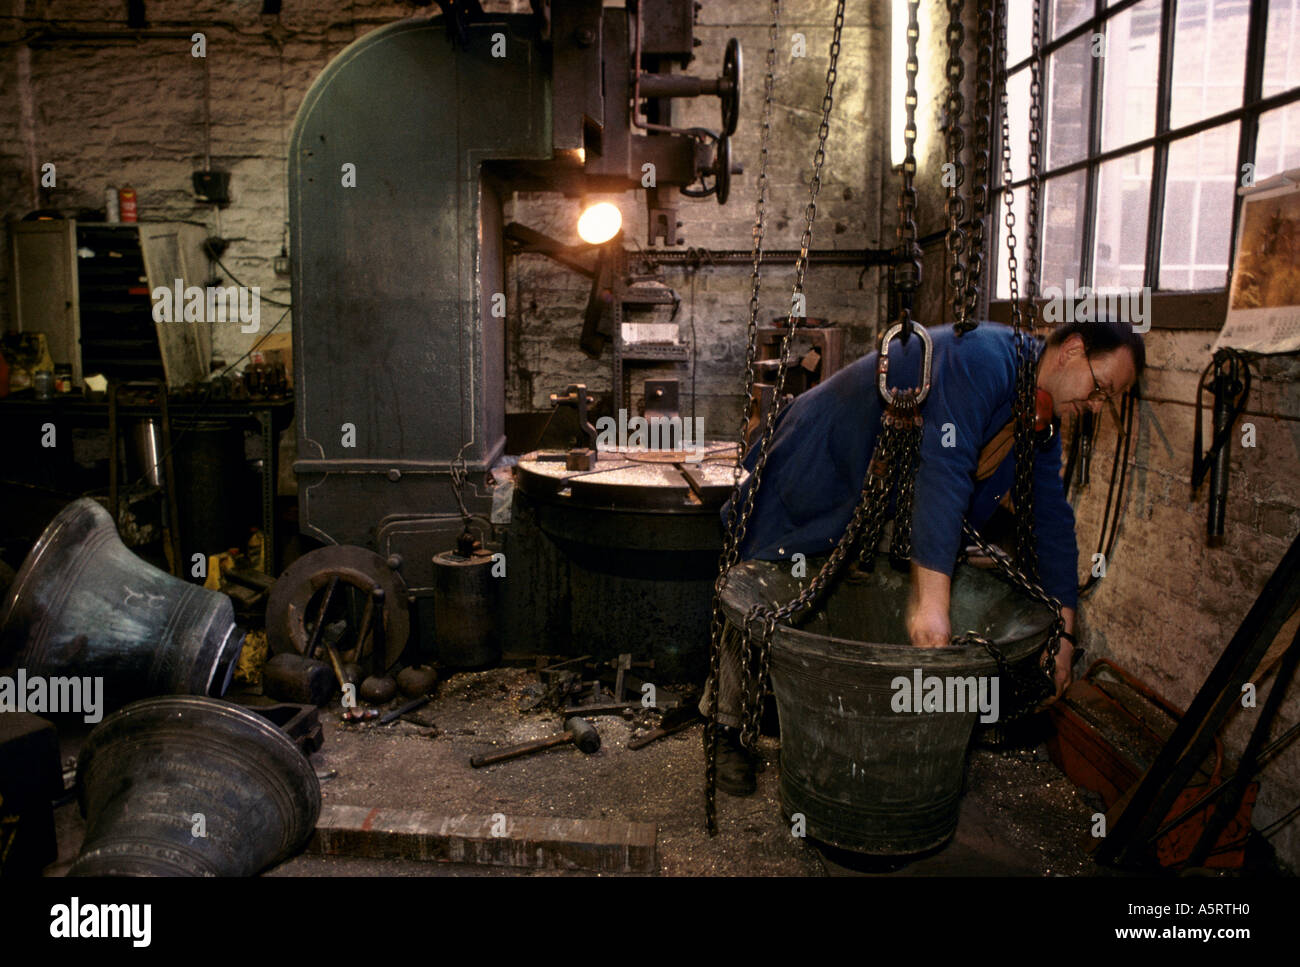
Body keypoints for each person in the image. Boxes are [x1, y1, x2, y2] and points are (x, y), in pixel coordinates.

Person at [708, 318, 1145, 795]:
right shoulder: (985, 358)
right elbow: (945, 470)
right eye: (1101, 388)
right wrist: (931, 609)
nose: (1097, 406)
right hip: (826, 456)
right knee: (764, 585)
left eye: (1109, 401)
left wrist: (1064, 635)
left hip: (883, 490)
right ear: (1073, 350)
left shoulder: (1037, 418)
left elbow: (1052, 522)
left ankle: (859, 730)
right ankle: (727, 726)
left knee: (869, 591)